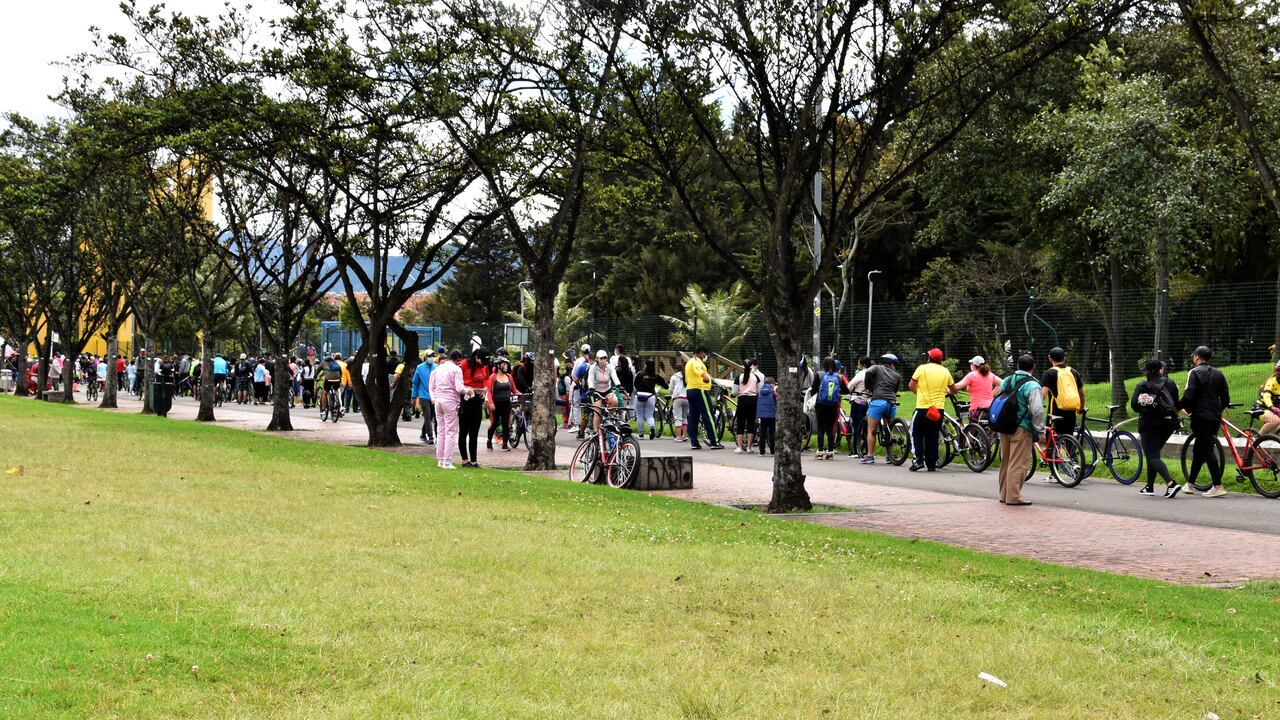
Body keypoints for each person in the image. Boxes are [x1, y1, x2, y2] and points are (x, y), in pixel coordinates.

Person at [1180, 345, 1230, 497]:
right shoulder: (1219, 374)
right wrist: (1217, 411)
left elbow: (1189, 396)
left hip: (1200, 417)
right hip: (1214, 417)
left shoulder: (1193, 373)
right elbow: (1226, 399)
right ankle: (1190, 484)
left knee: (1207, 450)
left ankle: (1218, 486)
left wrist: (1181, 407)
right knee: (1199, 449)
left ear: (1196, 357)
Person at [996, 354, 1045, 505]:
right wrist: (1040, 430)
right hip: (1022, 428)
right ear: (1034, 367)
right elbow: (1036, 410)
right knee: (1018, 463)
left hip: (1004, 426)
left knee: (1006, 461)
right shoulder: (1033, 385)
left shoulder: (1007, 380)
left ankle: (1004, 494)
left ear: (1017, 367)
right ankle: (1014, 496)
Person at [1132, 358, 1183, 498]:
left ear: (1147, 371)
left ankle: (1171, 484)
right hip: (1169, 424)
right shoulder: (1171, 383)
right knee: (1153, 454)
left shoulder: (1143, 385)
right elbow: (1177, 404)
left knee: (1152, 455)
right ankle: (1149, 486)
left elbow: (1134, 406)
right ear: (1160, 370)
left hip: (1150, 425)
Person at [908, 348, 956, 471]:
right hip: (938, 409)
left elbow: (911, 385)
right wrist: (946, 392)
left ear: (929, 357)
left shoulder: (922, 368)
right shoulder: (946, 371)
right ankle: (931, 463)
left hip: (923, 408)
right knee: (933, 435)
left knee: (915, 433)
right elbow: (953, 389)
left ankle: (918, 461)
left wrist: (918, 394)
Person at [429, 350, 467, 470]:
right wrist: (469, 391)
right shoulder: (456, 369)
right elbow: (459, 388)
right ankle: (447, 461)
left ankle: (440, 460)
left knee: (441, 431)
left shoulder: (439, 368)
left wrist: (434, 398)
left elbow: (432, 386)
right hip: (450, 401)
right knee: (450, 431)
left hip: (439, 401)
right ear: (457, 359)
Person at [861, 354, 901, 464]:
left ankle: (869, 456)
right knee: (888, 428)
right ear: (892, 364)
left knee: (871, 430)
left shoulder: (876, 367)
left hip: (878, 401)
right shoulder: (897, 374)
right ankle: (889, 456)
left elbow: (868, 372)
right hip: (891, 403)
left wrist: (869, 388)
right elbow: (896, 389)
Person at [1040, 347, 1084, 440]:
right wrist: (1081, 407)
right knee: (1070, 439)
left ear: (1050, 358)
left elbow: (1043, 394)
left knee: (1051, 441)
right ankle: (1071, 454)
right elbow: (1081, 393)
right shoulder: (1073, 371)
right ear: (1065, 358)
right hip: (1071, 411)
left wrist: (1036, 407)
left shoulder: (1049, 373)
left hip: (1055, 412)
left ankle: (1052, 454)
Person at [684, 345, 723, 450]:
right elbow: (697, 370)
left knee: (693, 417)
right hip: (700, 390)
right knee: (708, 416)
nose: (706, 357)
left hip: (690, 390)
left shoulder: (689, 362)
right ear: (702, 353)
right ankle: (714, 442)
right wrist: (703, 375)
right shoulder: (696, 361)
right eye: (706, 355)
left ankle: (694, 442)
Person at [810, 357, 849, 460]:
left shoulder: (819, 375)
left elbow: (813, 390)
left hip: (820, 405)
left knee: (821, 428)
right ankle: (830, 452)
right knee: (830, 429)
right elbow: (846, 391)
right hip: (833, 406)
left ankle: (820, 451)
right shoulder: (839, 377)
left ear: (824, 365)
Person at [458, 347, 491, 468]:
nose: (484, 365)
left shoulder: (485, 365)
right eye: (482, 361)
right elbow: (458, 382)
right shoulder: (464, 364)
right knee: (464, 430)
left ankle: (473, 460)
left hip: (478, 398)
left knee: (474, 431)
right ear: (477, 357)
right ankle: (464, 460)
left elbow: (487, 379)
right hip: (466, 398)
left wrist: (485, 389)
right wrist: (468, 388)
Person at [586, 349, 624, 433]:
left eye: (605, 358)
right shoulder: (593, 368)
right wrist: (591, 388)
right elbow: (590, 379)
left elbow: (614, 377)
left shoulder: (609, 367)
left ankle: (609, 419)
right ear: (597, 359)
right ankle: (596, 431)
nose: (603, 360)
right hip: (596, 391)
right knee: (597, 411)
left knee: (615, 401)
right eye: (601, 358)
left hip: (607, 389)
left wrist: (619, 385)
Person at [954, 355, 1002, 421]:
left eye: (971, 364)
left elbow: (957, 386)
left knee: (972, 429)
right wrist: (992, 394)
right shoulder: (990, 375)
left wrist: (947, 389)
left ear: (974, 365)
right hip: (990, 408)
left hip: (976, 409)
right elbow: (1002, 384)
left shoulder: (972, 375)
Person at [485, 356, 515, 451]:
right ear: (498, 365)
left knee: (506, 423)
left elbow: (514, 389)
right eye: (504, 364)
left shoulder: (509, 376)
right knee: (494, 424)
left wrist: (521, 394)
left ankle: (505, 444)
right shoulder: (492, 377)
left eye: (506, 364)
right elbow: (489, 391)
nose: (506, 366)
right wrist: (491, 403)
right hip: (495, 404)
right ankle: (489, 440)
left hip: (506, 403)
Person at [735, 358, 764, 453]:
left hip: (742, 400)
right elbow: (759, 390)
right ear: (752, 366)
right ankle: (749, 447)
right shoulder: (756, 377)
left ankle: (739, 447)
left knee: (740, 423)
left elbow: (735, 392)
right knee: (751, 423)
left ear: (742, 366)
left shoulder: (738, 377)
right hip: (753, 400)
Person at [633, 359, 667, 439]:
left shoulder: (640, 374)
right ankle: (652, 428)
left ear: (646, 366)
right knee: (649, 416)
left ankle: (641, 434)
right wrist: (665, 387)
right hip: (650, 396)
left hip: (639, 396)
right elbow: (664, 384)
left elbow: (635, 384)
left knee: (640, 416)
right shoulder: (655, 375)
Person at [846, 357, 873, 457]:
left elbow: (850, 385)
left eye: (859, 364)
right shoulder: (873, 373)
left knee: (856, 426)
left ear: (864, 365)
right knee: (867, 427)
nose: (858, 366)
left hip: (858, 401)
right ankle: (866, 449)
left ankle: (856, 451)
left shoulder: (861, 373)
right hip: (869, 402)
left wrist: (849, 393)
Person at [412, 349, 436, 444]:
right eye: (429, 356)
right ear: (425, 357)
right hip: (423, 395)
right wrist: (414, 396)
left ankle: (423, 434)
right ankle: (430, 436)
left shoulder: (437, 367)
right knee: (427, 415)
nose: (431, 358)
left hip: (434, 396)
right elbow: (415, 383)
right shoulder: (420, 367)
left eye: (433, 356)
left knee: (430, 417)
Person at [1258, 361, 1280, 436]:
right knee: (1275, 421)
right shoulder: (1271, 382)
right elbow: (1266, 396)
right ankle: (1256, 440)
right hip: (1261, 407)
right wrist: (1272, 407)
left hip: (1274, 409)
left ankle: (1271, 437)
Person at [757, 376, 777, 455]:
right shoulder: (773, 392)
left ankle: (762, 451)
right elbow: (776, 399)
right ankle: (772, 451)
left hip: (762, 416)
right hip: (772, 415)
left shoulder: (760, 391)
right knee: (771, 434)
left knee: (763, 433)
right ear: (772, 384)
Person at [669, 363, 688, 442]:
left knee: (678, 418)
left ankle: (678, 436)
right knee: (684, 417)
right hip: (686, 398)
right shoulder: (686, 377)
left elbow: (670, 389)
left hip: (677, 398)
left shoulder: (674, 377)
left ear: (676, 369)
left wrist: (672, 394)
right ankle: (685, 435)